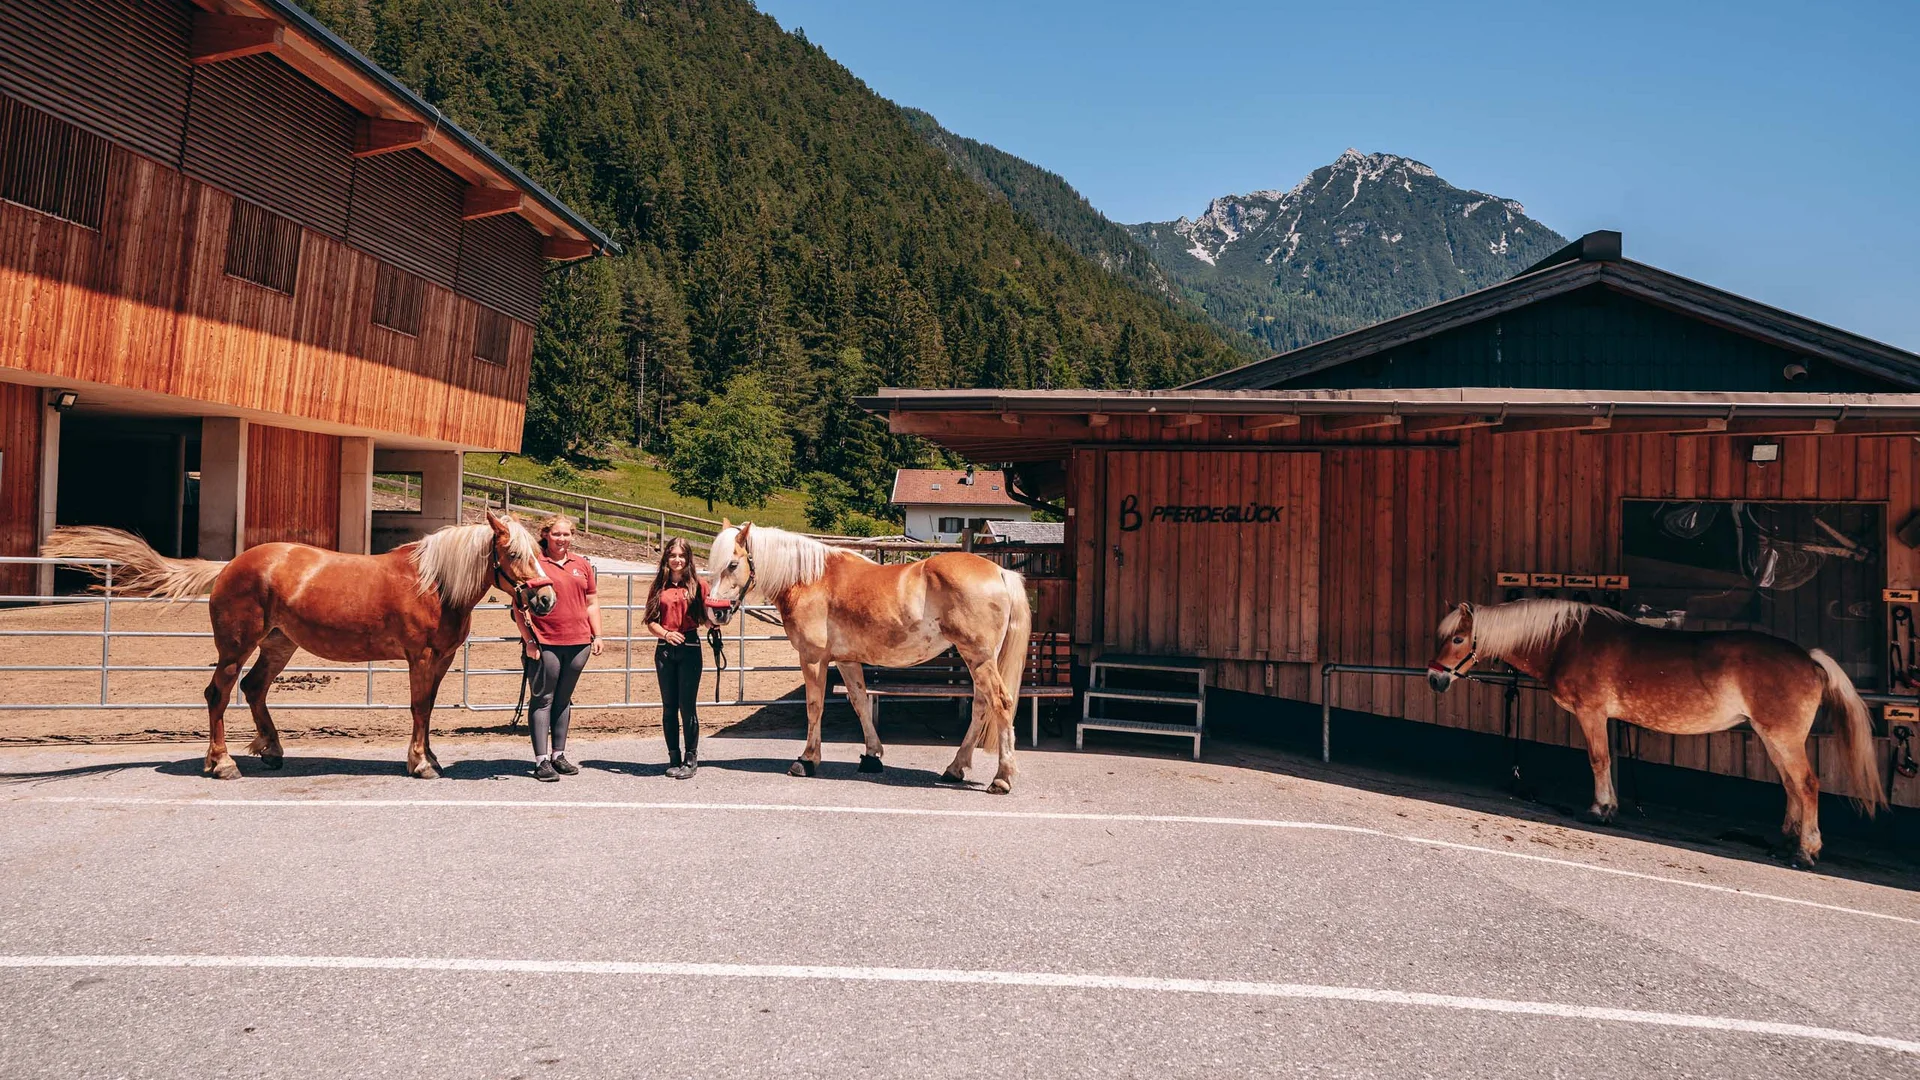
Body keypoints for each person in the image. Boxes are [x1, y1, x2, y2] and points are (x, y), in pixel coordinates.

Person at [512, 515, 602, 781]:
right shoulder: (535, 563)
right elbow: (518, 606)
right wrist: (528, 640)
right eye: (556, 534)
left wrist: (597, 634)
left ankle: (558, 755)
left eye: (566, 534)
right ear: (546, 535)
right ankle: (541, 761)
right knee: (543, 699)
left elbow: (591, 602)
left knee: (563, 700)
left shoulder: (582, 565)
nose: (562, 539)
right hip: (545, 642)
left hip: (578, 643)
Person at [645, 537, 710, 779]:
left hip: (690, 647)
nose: (677, 560)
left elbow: (708, 617)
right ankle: (673, 755)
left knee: (687, 705)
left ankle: (691, 758)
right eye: (673, 555)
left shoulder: (698, 585)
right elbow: (650, 620)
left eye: (681, 555)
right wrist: (666, 633)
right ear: (666, 558)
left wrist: (716, 621)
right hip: (664, 650)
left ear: (688, 558)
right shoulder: (659, 586)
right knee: (669, 706)